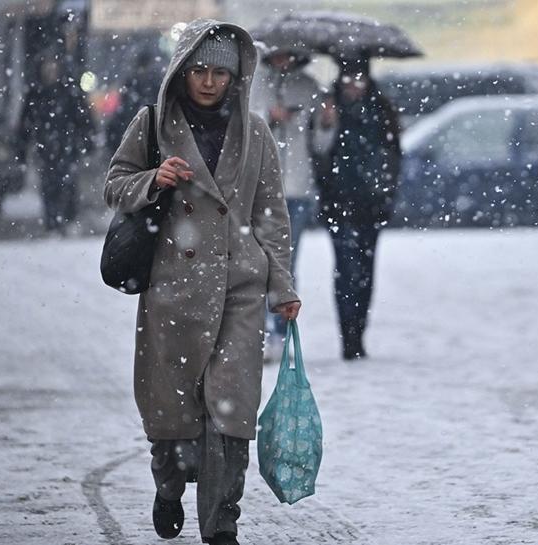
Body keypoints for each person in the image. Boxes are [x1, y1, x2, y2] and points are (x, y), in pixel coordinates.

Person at [103, 20, 300, 544]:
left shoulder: (255, 132)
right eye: (199, 71)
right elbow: (114, 185)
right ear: (182, 72)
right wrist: (152, 180)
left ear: (236, 77)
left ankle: (221, 525)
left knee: (231, 413)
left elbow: (271, 216)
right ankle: (169, 486)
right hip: (174, 287)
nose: (209, 82)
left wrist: (283, 285)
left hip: (238, 287)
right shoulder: (152, 124)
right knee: (172, 413)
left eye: (220, 72)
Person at [315, 57, 401, 360]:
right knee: (346, 270)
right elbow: (319, 152)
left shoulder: (382, 109)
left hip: (371, 204)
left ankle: (358, 333)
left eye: (360, 80)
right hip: (338, 203)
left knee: (365, 272)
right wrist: (327, 124)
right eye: (349, 80)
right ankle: (348, 338)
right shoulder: (329, 107)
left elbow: (393, 155)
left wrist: (386, 192)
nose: (355, 87)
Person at [254, 49, 335, 358]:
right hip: (260, 191)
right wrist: (268, 117)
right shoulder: (255, 86)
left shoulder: (310, 87)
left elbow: (320, 145)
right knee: (258, 264)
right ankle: (257, 331)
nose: (283, 60)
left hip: (298, 191)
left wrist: (327, 123)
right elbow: (244, 133)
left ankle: (280, 332)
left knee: (286, 265)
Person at [23, 45, 92, 233]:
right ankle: (53, 221)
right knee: (49, 184)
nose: (50, 69)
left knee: (67, 183)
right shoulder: (36, 93)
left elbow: (83, 119)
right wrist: (22, 145)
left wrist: (86, 141)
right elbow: (26, 123)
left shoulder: (69, 91)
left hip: (67, 145)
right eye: (47, 65)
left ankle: (66, 218)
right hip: (45, 148)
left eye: (53, 65)